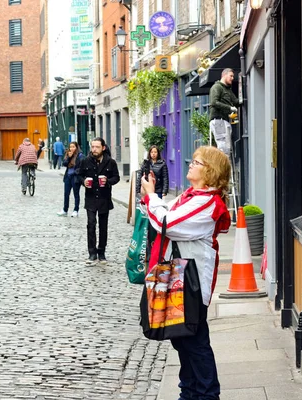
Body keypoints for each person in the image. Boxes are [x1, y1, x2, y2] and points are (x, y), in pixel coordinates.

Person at [140, 146, 231, 400]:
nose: (190, 164)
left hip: (190, 284)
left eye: (196, 162)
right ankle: (190, 392)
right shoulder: (191, 196)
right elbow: (167, 214)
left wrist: (151, 197)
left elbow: (166, 224)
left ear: (209, 171)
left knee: (194, 342)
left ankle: (206, 394)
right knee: (182, 340)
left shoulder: (207, 203)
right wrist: (152, 198)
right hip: (179, 280)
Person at [78, 137, 120, 263]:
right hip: (90, 198)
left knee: (103, 226)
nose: (94, 149)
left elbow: (116, 177)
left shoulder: (110, 162)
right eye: (92, 147)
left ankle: (101, 252)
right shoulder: (85, 161)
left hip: (104, 198)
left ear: (103, 148)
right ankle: (92, 253)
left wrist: (108, 182)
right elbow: (79, 175)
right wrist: (83, 181)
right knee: (91, 225)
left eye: (97, 147)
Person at [209, 68, 241, 157]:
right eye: (231, 76)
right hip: (219, 120)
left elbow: (236, 101)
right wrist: (230, 108)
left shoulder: (228, 90)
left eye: (233, 76)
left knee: (226, 148)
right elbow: (214, 102)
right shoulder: (217, 87)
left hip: (225, 121)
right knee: (223, 148)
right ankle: (223, 169)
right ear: (224, 75)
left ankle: (226, 168)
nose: (232, 78)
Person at [58, 141, 84, 217]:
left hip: (75, 177)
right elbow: (64, 164)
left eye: (73, 147)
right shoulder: (68, 154)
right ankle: (65, 210)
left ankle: (76, 210)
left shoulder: (80, 155)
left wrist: (76, 172)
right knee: (66, 194)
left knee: (76, 194)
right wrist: (69, 157)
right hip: (68, 177)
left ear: (76, 147)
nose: (72, 148)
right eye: (70, 147)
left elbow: (81, 167)